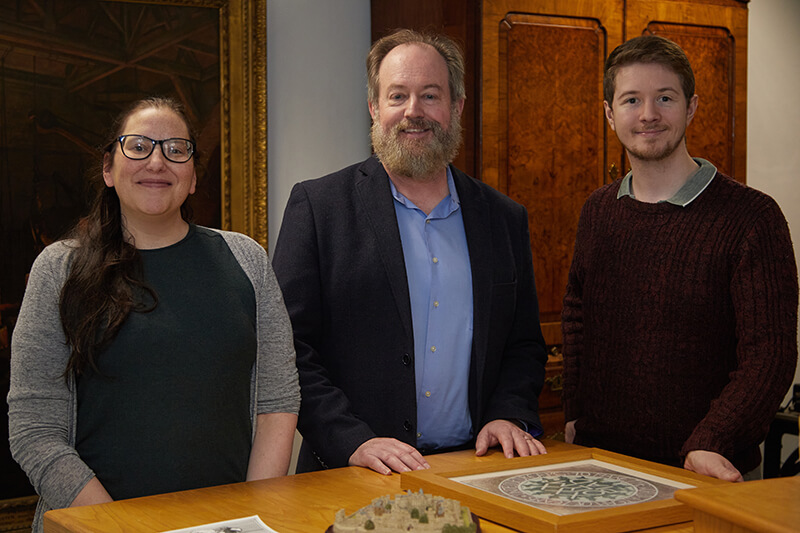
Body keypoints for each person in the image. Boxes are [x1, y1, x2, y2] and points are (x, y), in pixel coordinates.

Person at [8, 97, 300, 531]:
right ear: (108, 169)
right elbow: (34, 430)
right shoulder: (59, 268)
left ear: (194, 176)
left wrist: (249, 517)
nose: (158, 161)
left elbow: (277, 402)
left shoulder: (246, 259)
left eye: (176, 149)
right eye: (139, 146)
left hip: (223, 524)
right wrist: (117, 526)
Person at [272, 29, 548, 475]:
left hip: (473, 468)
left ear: (457, 107)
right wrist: (352, 440)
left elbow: (523, 344)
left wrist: (508, 413)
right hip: (351, 474)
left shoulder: (503, 217)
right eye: (397, 95)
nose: (413, 112)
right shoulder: (319, 207)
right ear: (374, 108)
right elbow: (287, 348)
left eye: (430, 95)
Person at [561, 35, 798, 482]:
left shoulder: (753, 218)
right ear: (610, 114)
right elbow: (577, 317)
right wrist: (575, 413)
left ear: (690, 107)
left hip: (707, 472)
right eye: (632, 100)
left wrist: (713, 440)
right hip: (601, 465)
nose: (648, 114)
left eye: (664, 98)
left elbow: (770, 355)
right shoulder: (599, 209)